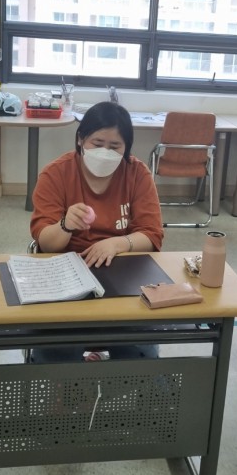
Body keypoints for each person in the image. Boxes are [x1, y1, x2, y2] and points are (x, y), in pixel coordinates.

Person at [29, 100, 164, 361]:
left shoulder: (137, 174)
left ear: (126, 148)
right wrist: (66, 225)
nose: (105, 152)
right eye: (97, 143)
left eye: (115, 147)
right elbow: (45, 243)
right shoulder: (56, 174)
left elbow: (152, 234)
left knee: (141, 353)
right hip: (67, 275)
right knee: (56, 355)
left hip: (124, 274)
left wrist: (117, 244)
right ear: (81, 139)